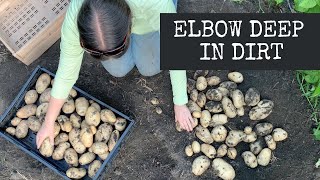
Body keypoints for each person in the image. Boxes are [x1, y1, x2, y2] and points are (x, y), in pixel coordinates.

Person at [36, 0, 194, 148]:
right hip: (125, 21)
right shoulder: (76, 16)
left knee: (150, 68)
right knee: (118, 69)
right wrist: (48, 122)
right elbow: (66, 73)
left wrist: (180, 102)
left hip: (148, 17)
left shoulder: (153, 3)